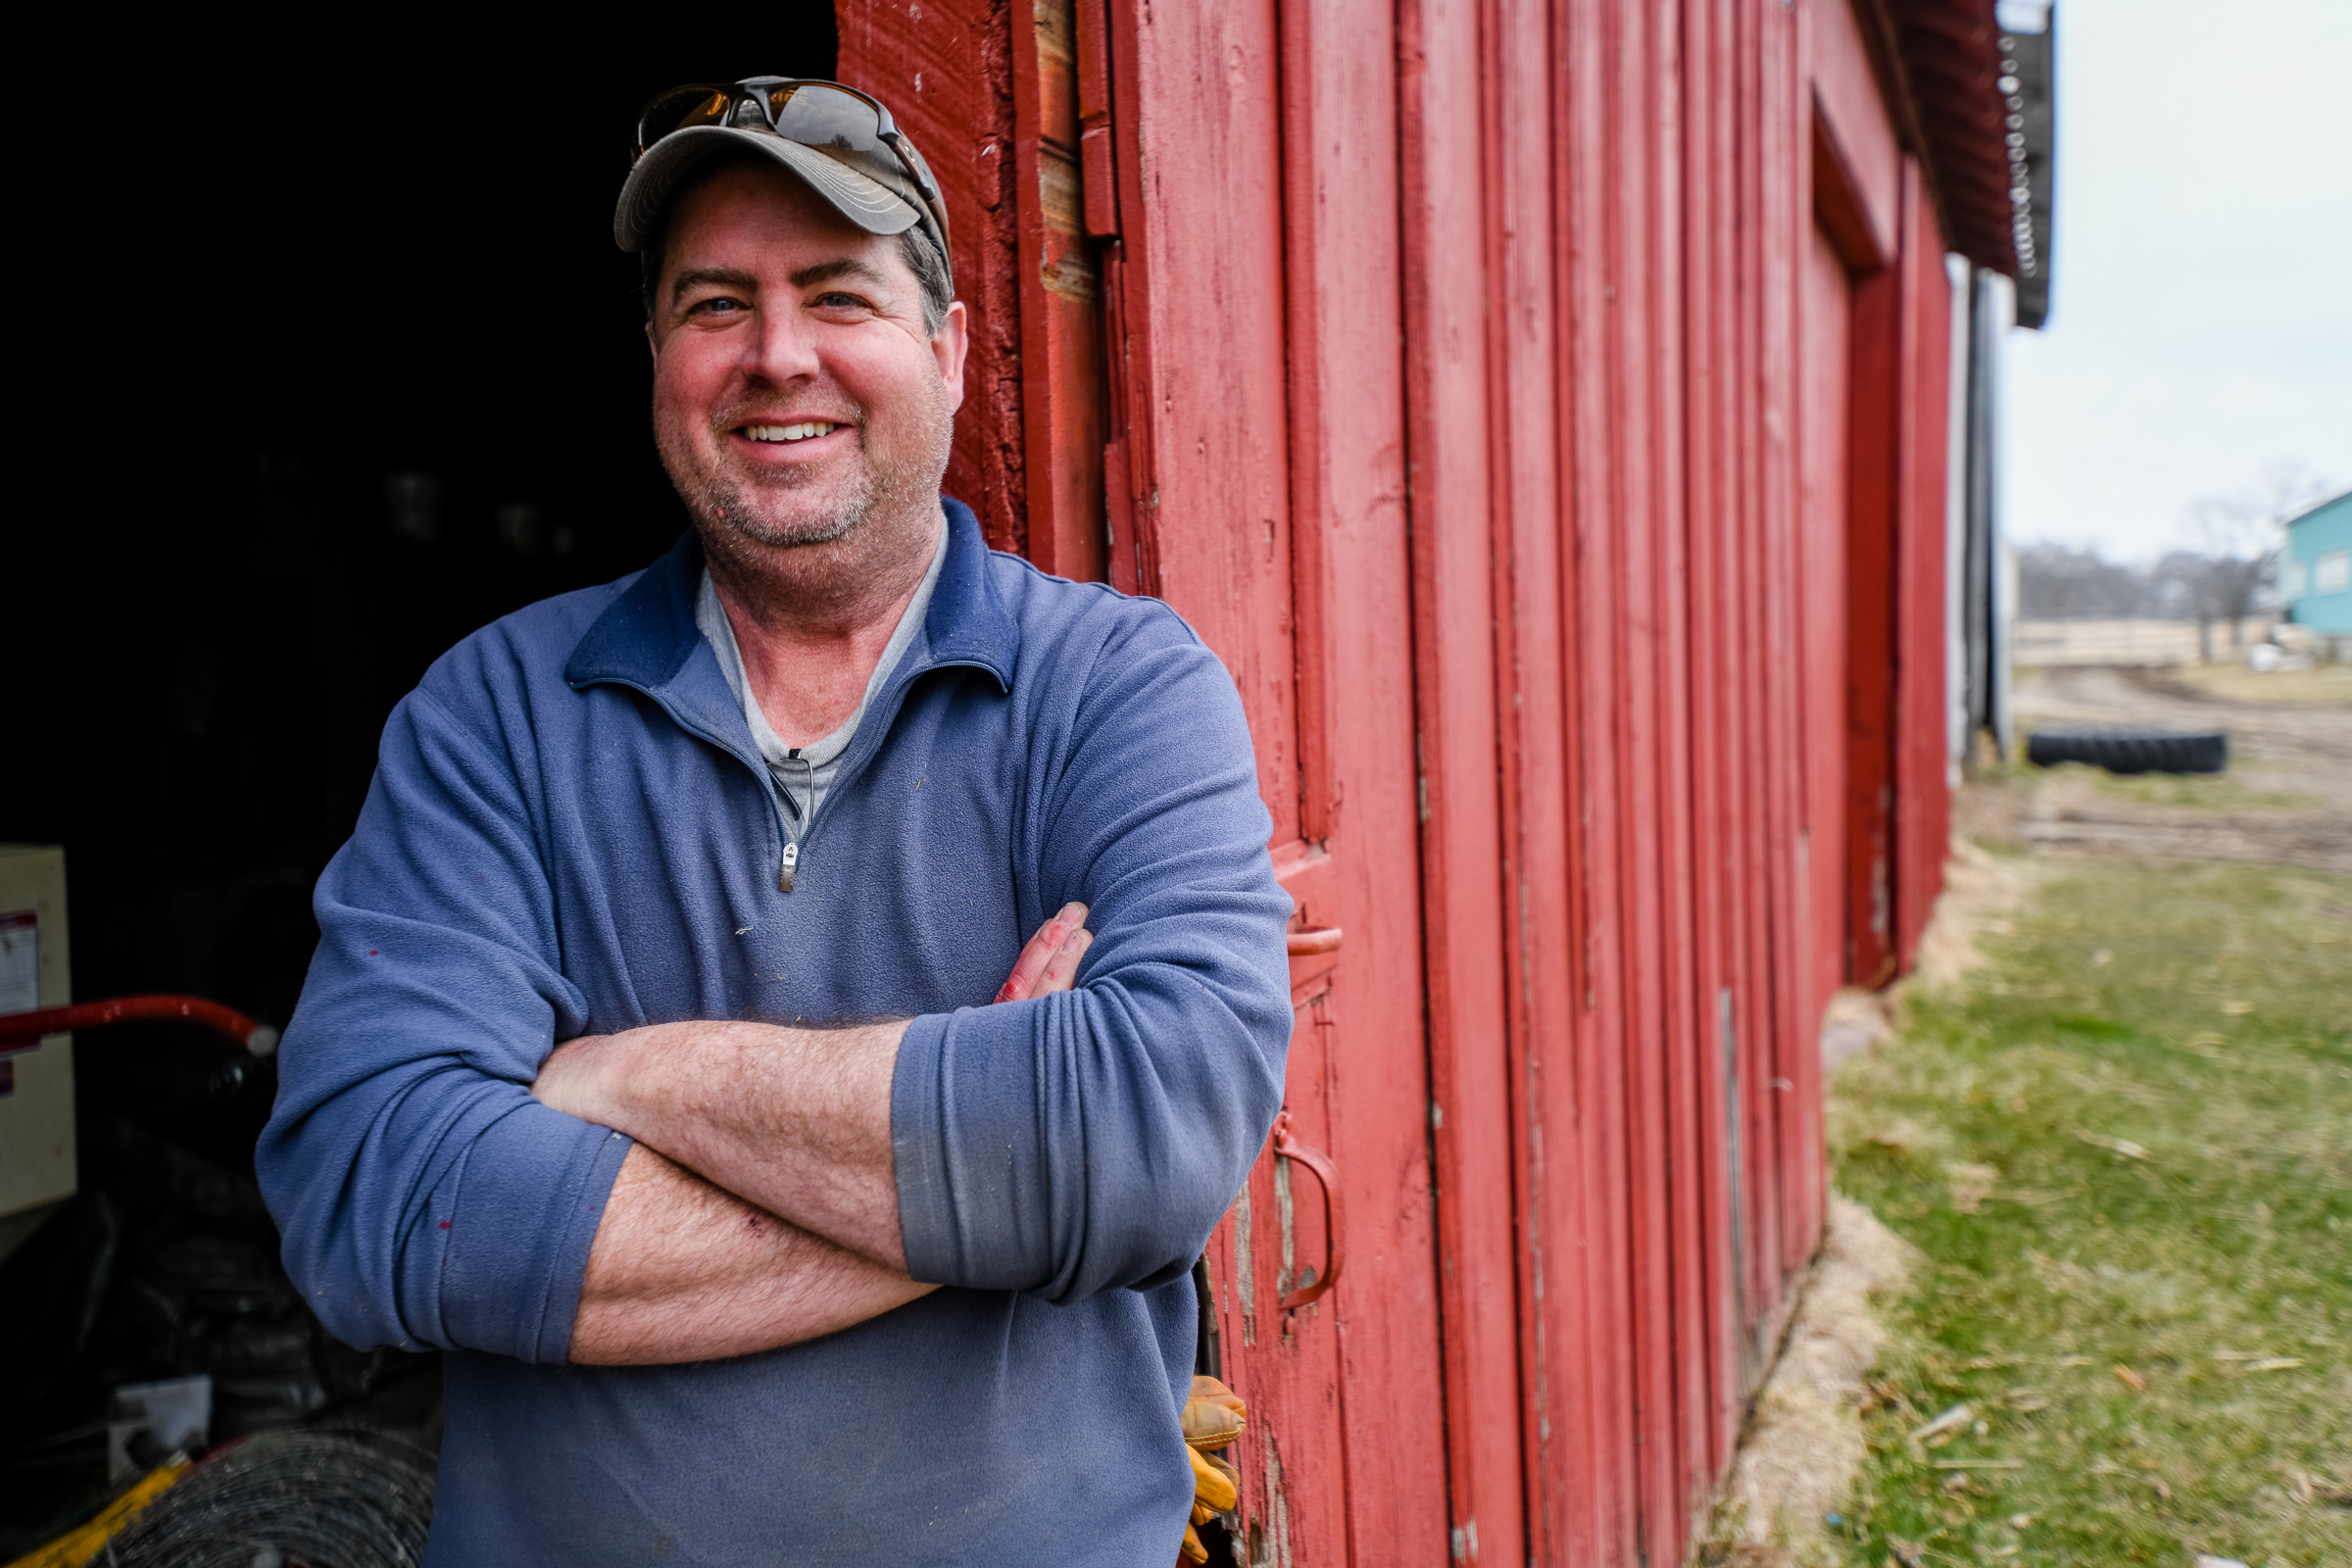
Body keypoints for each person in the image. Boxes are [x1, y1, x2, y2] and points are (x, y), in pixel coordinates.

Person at [257, 76, 1291, 1565]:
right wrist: (987, 1176)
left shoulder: (1117, 689)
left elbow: (1154, 1128)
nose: (777, 355)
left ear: (945, 354)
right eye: (714, 304)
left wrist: (629, 1076)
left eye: (836, 295)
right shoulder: (494, 715)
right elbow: (377, 1191)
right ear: (659, 359)